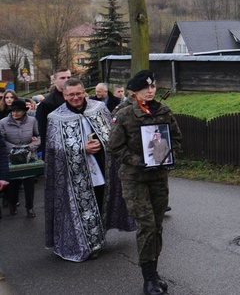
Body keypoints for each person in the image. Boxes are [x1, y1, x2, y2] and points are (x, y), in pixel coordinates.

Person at [45, 78, 135, 262]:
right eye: (71, 95)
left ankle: (98, 238)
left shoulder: (98, 109)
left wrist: (101, 144)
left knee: (100, 200)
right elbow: (54, 148)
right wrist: (81, 148)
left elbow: (111, 134)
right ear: (64, 95)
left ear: (84, 92)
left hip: (100, 167)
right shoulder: (55, 117)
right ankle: (88, 244)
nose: (75, 98)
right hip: (74, 175)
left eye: (79, 93)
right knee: (82, 208)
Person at [110, 70, 182, 295]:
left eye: (153, 87)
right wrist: (136, 160)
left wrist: (170, 155)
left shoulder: (164, 111)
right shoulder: (125, 115)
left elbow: (176, 138)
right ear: (134, 92)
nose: (150, 91)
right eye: (145, 88)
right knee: (147, 226)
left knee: (157, 227)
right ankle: (148, 279)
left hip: (158, 178)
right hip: (135, 179)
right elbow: (114, 147)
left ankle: (154, 271)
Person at [0, 99, 40, 218]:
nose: (15, 113)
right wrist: (15, 148)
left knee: (29, 183)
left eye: (18, 111)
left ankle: (30, 207)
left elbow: (38, 136)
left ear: (24, 111)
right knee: (13, 183)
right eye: (13, 111)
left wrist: (32, 146)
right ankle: (12, 204)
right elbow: (1, 141)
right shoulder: (2, 122)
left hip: (29, 156)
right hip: (11, 156)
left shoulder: (32, 120)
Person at [35, 67, 72, 158]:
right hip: (58, 148)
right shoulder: (47, 103)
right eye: (62, 78)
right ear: (54, 80)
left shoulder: (77, 99)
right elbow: (44, 131)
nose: (66, 80)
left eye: (69, 77)